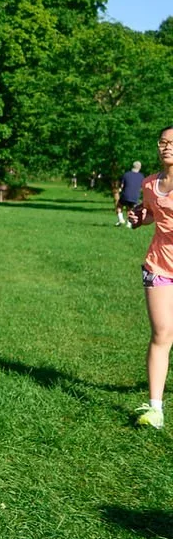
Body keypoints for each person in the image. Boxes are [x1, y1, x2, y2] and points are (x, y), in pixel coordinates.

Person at [127, 127, 173, 429]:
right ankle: (155, 408)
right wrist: (138, 218)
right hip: (159, 266)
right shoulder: (149, 184)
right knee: (162, 334)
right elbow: (151, 215)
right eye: (162, 142)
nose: (166, 147)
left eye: (172, 143)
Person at [115, 161, 145, 227]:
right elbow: (141, 187)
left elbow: (122, 186)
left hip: (125, 194)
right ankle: (129, 224)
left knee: (119, 206)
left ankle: (121, 219)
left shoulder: (126, 174)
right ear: (140, 167)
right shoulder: (141, 176)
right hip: (135, 196)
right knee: (130, 209)